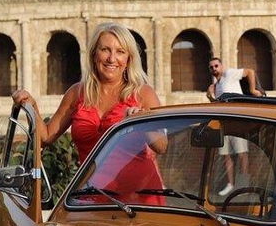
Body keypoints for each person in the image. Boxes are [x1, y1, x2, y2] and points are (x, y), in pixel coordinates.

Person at [12, 22, 166, 164]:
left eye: (120, 52)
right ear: (94, 54)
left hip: (137, 191)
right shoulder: (76, 93)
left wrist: (142, 123)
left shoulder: (143, 93)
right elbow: (45, 137)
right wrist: (31, 105)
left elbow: (161, 146)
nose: (112, 58)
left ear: (128, 59)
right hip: (92, 190)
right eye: (105, 50)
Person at [206, 57, 262, 196]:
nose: (214, 69)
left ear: (221, 66)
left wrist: (253, 89)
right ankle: (230, 184)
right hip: (224, 125)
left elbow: (250, 71)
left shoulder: (229, 74)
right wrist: (210, 96)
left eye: (216, 66)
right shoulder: (216, 85)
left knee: (242, 154)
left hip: (238, 122)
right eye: (211, 67)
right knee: (226, 156)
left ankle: (243, 186)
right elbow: (217, 106)